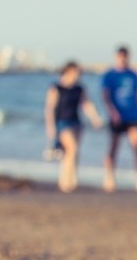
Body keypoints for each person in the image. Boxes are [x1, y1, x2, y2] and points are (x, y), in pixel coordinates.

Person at [43, 61, 103, 192]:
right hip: (62, 123)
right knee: (72, 149)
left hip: (76, 123)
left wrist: (95, 118)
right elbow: (50, 108)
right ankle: (66, 182)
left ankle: (71, 179)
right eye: (76, 72)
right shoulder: (56, 87)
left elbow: (86, 104)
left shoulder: (79, 88)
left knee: (71, 153)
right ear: (68, 71)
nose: (78, 75)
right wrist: (50, 127)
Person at [101, 45, 137, 193]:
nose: (123, 60)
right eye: (120, 57)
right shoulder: (109, 75)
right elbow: (105, 96)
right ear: (116, 57)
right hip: (117, 117)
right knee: (113, 148)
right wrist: (112, 111)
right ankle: (109, 179)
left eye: (125, 57)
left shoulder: (134, 75)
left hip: (133, 116)